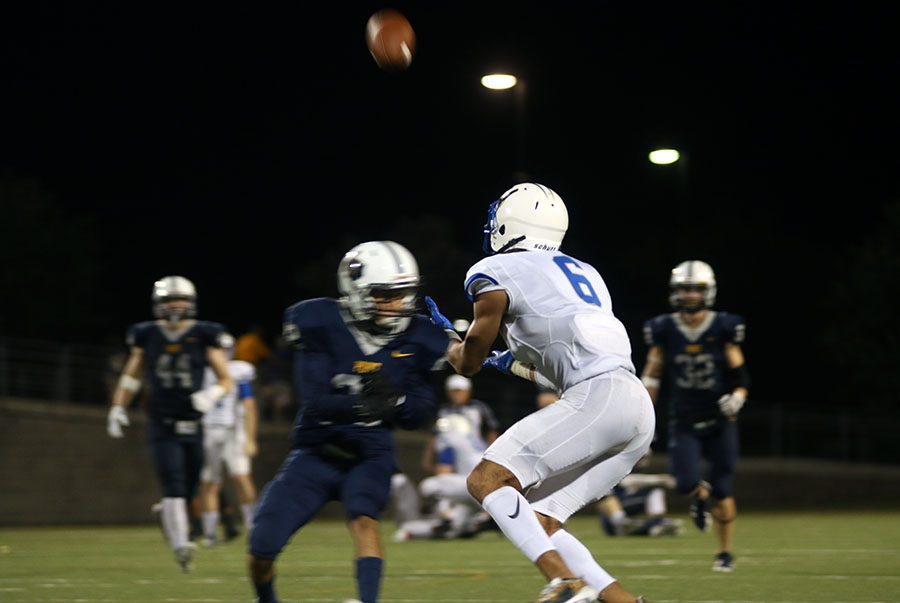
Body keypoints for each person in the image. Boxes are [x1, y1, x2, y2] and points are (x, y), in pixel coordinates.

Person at [425, 182, 653, 603]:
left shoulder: (495, 270)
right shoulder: (587, 273)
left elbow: (468, 362)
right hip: (635, 406)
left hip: (597, 398)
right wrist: (508, 362)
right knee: (539, 518)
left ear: (511, 222)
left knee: (487, 479)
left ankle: (564, 582)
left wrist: (449, 341)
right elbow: (569, 357)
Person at [247, 241, 449, 603]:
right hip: (316, 451)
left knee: (364, 521)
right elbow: (316, 400)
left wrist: (396, 400)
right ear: (356, 292)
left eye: (403, 294)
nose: (398, 304)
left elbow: (419, 413)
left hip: (370, 454)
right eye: (386, 295)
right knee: (261, 547)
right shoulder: (319, 322)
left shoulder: (418, 337)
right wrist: (366, 405)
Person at [107, 275, 234, 572]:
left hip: (194, 422)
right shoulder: (146, 335)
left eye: (180, 300)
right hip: (162, 422)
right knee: (174, 483)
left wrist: (212, 393)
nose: (175, 305)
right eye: (168, 300)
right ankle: (181, 546)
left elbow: (226, 378)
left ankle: (170, 516)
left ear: (190, 303)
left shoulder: (205, 334)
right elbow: (131, 375)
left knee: (190, 488)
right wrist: (117, 406)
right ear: (158, 304)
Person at [640, 260, 749, 572]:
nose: (689, 295)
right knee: (685, 482)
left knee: (724, 490)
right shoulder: (663, 330)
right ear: (675, 292)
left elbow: (740, 375)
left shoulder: (723, 327)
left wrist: (739, 396)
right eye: (684, 289)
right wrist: (644, 421)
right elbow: (652, 376)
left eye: (696, 289)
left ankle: (724, 552)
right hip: (684, 418)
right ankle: (701, 496)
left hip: (719, 419)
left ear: (708, 291)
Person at [390, 374, 499, 542]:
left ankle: (473, 517)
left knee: (429, 486)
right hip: (470, 483)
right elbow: (438, 443)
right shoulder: (447, 418)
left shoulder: (475, 412)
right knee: (458, 523)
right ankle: (477, 520)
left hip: (472, 477)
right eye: (453, 391)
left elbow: (491, 433)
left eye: (460, 391)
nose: (456, 395)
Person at [198, 340, 259, 547]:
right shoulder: (200, 371)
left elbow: (249, 405)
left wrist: (250, 438)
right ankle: (210, 533)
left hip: (232, 430)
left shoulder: (238, 370)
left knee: (241, 478)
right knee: (209, 484)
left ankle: (253, 527)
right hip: (207, 430)